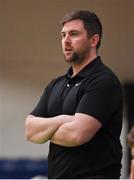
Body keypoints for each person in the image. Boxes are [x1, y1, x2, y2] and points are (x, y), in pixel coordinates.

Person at [25, 10, 123, 179]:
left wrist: (46, 130)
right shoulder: (56, 84)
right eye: (63, 35)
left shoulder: (103, 81)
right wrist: (63, 120)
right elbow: (30, 131)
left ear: (94, 40)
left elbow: (77, 135)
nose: (66, 41)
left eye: (74, 34)